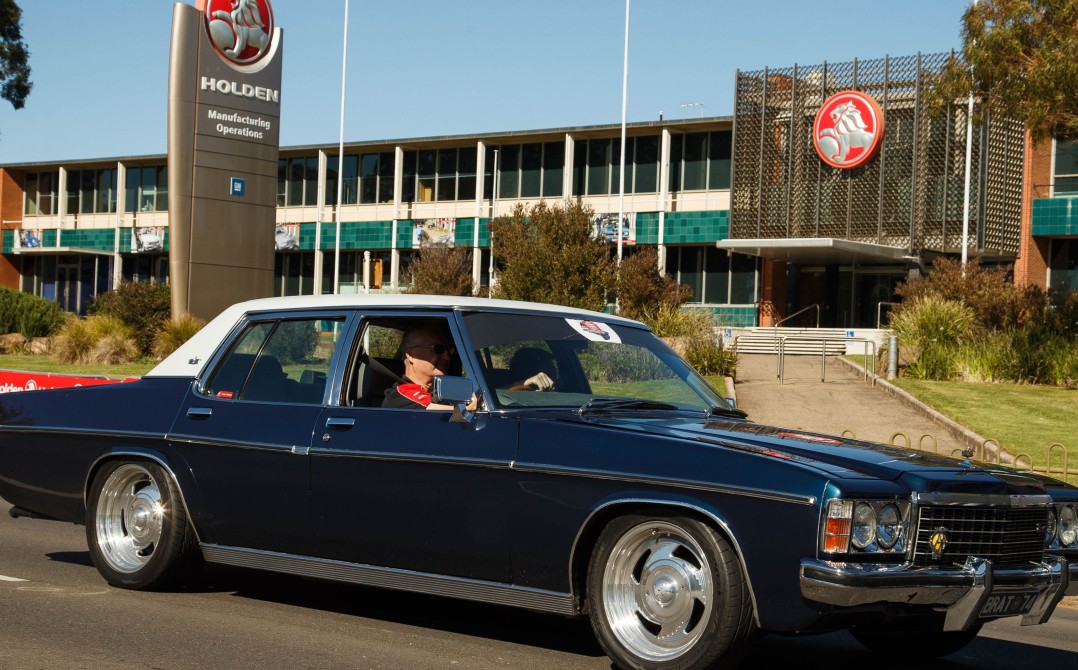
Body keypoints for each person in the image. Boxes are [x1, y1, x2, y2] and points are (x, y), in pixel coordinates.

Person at [382, 324, 477, 410]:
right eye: (438, 349)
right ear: (411, 355)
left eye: (449, 350)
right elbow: (430, 409)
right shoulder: (400, 395)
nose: (447, 357)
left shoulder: (441, 394)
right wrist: (468, 408)